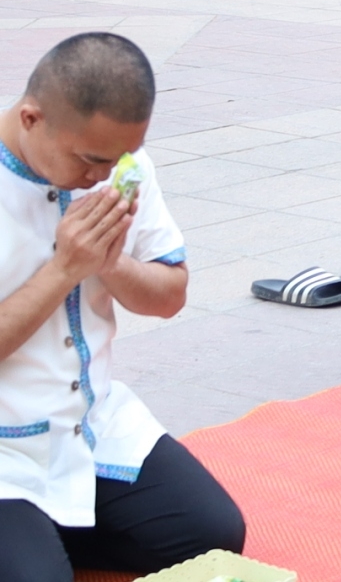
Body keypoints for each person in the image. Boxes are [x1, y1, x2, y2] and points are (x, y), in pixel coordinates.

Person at [0, 34, 246, 582]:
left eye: (118, 159)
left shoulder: (121, 165)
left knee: (213, 537)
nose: (101, 176)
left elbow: (170, 295)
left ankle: (45, 531)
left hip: (91, 420)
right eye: (89, 159)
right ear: (32, 118)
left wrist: (109, 262)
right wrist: (65, 268)